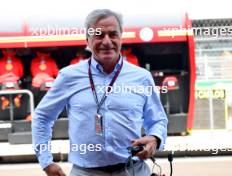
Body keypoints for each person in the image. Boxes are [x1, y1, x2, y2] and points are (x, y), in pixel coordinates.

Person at [32, 9, 168, 176]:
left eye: (113, 34)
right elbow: (42, 117)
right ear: (87, 40)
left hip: (134, 171)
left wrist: (155, 138)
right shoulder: (68, 76)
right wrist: (46, 161)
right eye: (98, 35)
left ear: (121, 37)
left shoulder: (142, 78)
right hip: (85, 172)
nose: (107, 41)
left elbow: (158, 120)